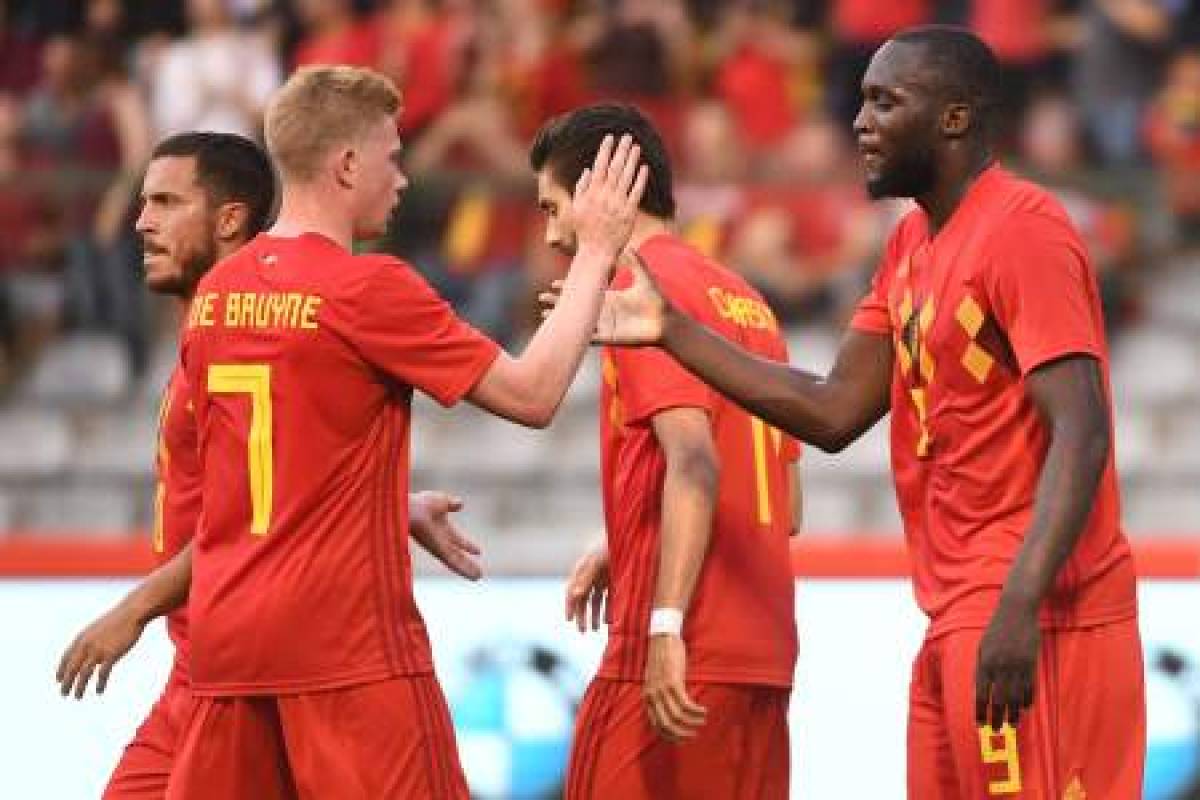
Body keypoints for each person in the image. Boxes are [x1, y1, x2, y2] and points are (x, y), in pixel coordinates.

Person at [578, 26, 1144, 799]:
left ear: (954, 118)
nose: (859, 120)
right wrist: (673, 332)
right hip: (957, 609)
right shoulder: (911, 241)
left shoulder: (1023, 229)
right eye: (862, 100)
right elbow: (834, 408)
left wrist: (1019, 605)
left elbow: (1082, 430)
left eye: (885, 101)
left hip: (1040, 612)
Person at [166, 66, 646, 799]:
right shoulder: (367, 286)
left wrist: (386, 505)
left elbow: (248, 472)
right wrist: (596, 252)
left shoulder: (215, 295)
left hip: (229, 643)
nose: (403, 178)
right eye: (392, 157)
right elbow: (534, 393)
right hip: (346, 646)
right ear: (348, 164)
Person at [53, 131, 489, 799]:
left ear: (230, 220)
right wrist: (391, 508)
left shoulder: (257, 335)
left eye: (167, 202)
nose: (143, 222)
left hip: (256, 672)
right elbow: (276, 490)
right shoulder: (214, 331)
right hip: (204, 668)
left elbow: (260, 515)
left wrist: (135, 607)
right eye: (145, 203)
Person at [533, 104, 800, 799]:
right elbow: (786, 502)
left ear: (598, 193)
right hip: (763, 657)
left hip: (681, 652)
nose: (551, 232)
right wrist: (623, 535)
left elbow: (695, 461)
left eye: (552, 206)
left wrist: (665, 623)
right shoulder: (746, 300)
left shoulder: (640, 294)